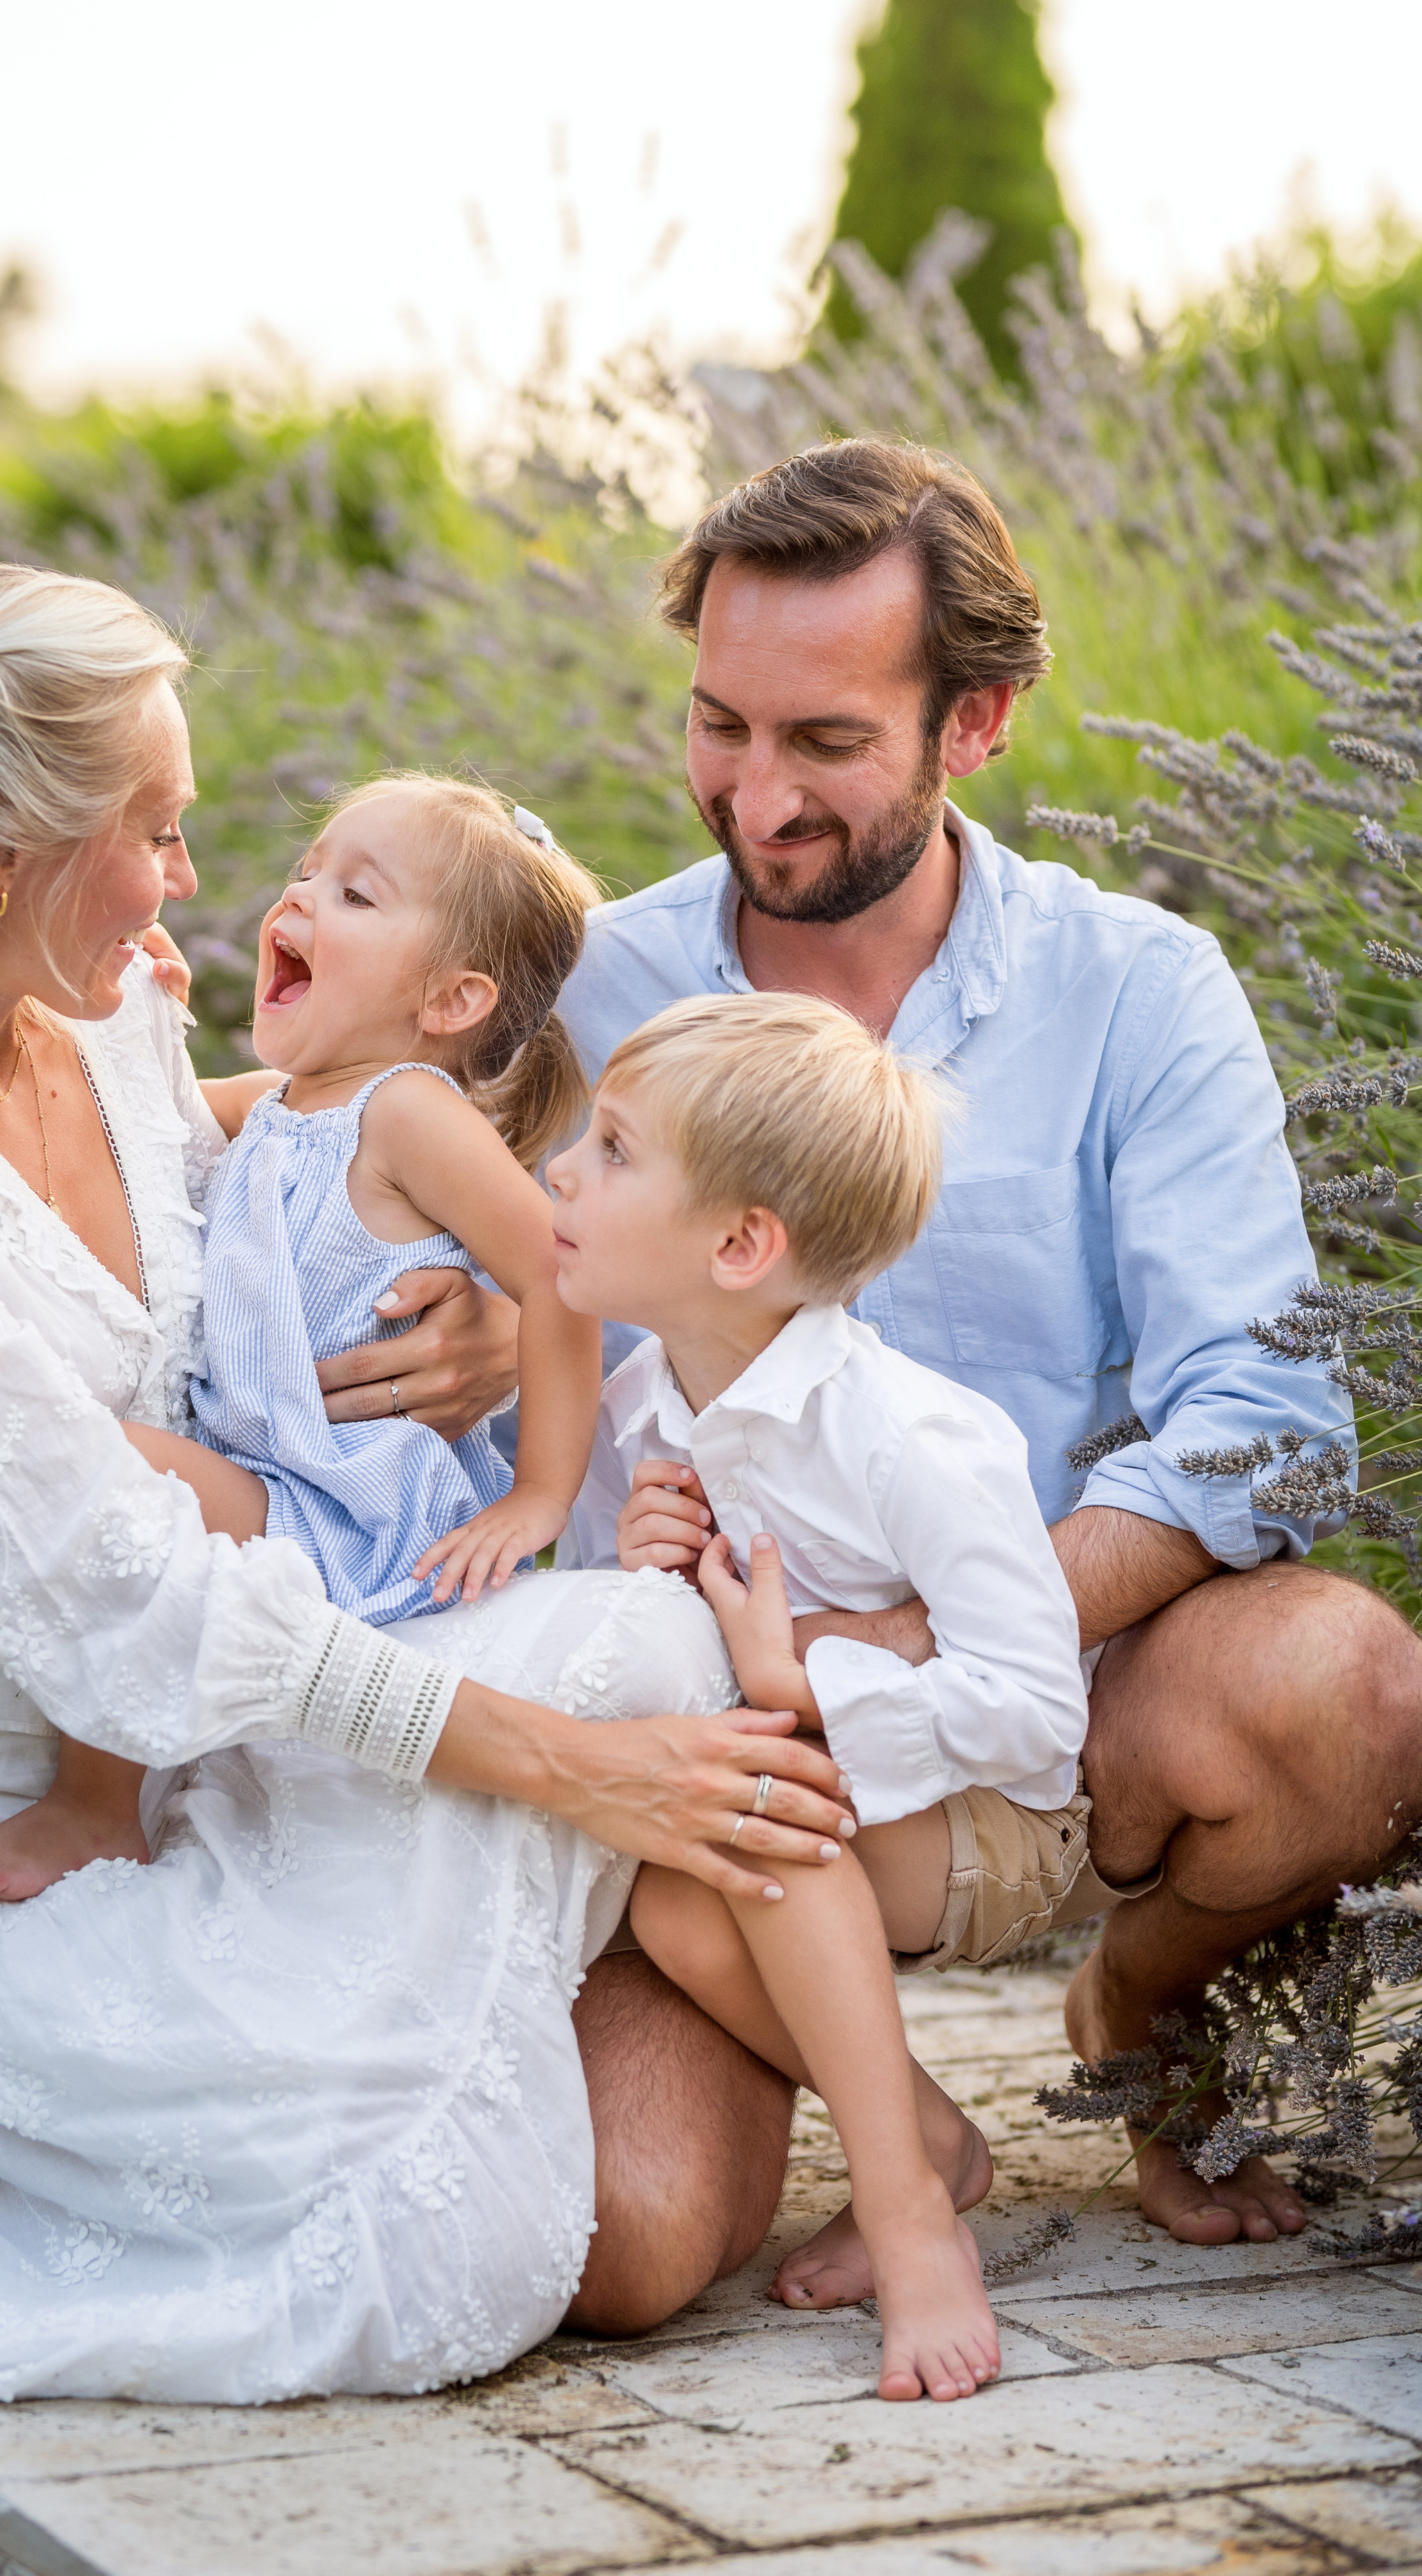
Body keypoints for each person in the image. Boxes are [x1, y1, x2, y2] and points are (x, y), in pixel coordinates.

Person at [0, 566, 852, 2543]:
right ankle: (637, 1968)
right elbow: (121, 1599)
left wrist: (467, 1322)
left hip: (231, 1758)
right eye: (153, 829)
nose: (190, 881)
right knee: (486, 2237)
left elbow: (293, 1187)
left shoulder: (110, 1022)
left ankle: (720, 2018)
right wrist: (546, 1763)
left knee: (636, 1634)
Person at [295, 437, 1421, 2324]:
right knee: (624, 2251)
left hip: (1049, 1681)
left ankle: (1132, 2015)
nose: (754, 791)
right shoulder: (592, 986)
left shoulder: (1138, 988)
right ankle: (902, 2115)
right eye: (720, 723)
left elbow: (1271, 1415)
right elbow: (353, 1250)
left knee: (1351, 1692)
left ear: (973, 721)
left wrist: (901, 1639)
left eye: (825, 740)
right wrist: (506, 1350)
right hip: (694, 1721)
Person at [0, 774, 608, 1902]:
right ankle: (102, 1793)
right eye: (304, 872)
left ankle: (98, 1810)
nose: (299, 901)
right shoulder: (287, 1100)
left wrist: (540, 1498)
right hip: (277, 1479)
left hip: (353, 1503)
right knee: (124, 1470)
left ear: (449, 999)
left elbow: (559, 1275)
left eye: (355, 894)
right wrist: (136, 1010)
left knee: (116, 1468)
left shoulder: (407, 1111)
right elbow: (143, 1110)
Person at [547, 991, 1091, 2397]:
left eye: (610, 1152)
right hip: (787, 1831)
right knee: (673, 1893)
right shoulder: (636, 1411)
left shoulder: (904, 1433)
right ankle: (929, 2140)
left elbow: (1036, 1707)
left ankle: (912, 2220)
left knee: (747, 1821)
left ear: (738, 1247)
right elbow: (626, 1651)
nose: (561, 1171)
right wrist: (632, 1573)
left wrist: (813, 1684)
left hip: (986, 1831)